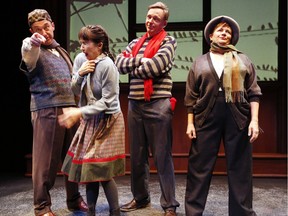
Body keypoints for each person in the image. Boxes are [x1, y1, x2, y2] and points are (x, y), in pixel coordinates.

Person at [184, 15, 262, 216]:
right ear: (211, 35)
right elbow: (191, 96)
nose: (224, 33)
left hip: (238, 117)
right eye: (220, 30)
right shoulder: (199, 62)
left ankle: (241, 212)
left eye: (228, 31)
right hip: (205, 117)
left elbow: (254, 92)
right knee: (199, 167)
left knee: (240, 168)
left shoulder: (243, 60)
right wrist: (190, 123)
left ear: (232, 37)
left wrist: (254, 120)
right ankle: (193, 212)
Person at [19, 9, 88, 216]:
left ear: (53, 25)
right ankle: (42, 207)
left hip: (69, 108)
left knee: (72, 159)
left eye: (46, 27)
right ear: (32, 31)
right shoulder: (33, 48)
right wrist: (33, 41)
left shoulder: (62, 51)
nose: (44, 32)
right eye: (38, 29)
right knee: (46, 162)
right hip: (47, 108)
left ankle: (74, 199)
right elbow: (28, 52)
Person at [115, 2, 180, 216]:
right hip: (135, 103)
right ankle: (141, 198)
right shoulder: (135, 42)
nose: (150, 21)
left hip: (158, 103)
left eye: (156, 18)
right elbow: (118, 64)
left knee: (162, 156)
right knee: (137, 155)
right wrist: (142, 59)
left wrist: (135, 66)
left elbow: (157, 66)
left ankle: (169, 205)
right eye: (149, 16)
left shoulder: (169, 41)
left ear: (164, 23)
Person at [59, 24, 126, 216]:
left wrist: (79, 112)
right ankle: (91, 212)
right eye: (81, 42)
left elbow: (107, 102)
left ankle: (115, 212)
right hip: (90, 118)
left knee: (101, 170)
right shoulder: (81, 59)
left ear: (99, 45)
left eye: (86, 43)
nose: (82, 47)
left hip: (108, 121)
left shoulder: (107, 66)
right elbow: (73, 89)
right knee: (88, 171)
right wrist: (80, 74)